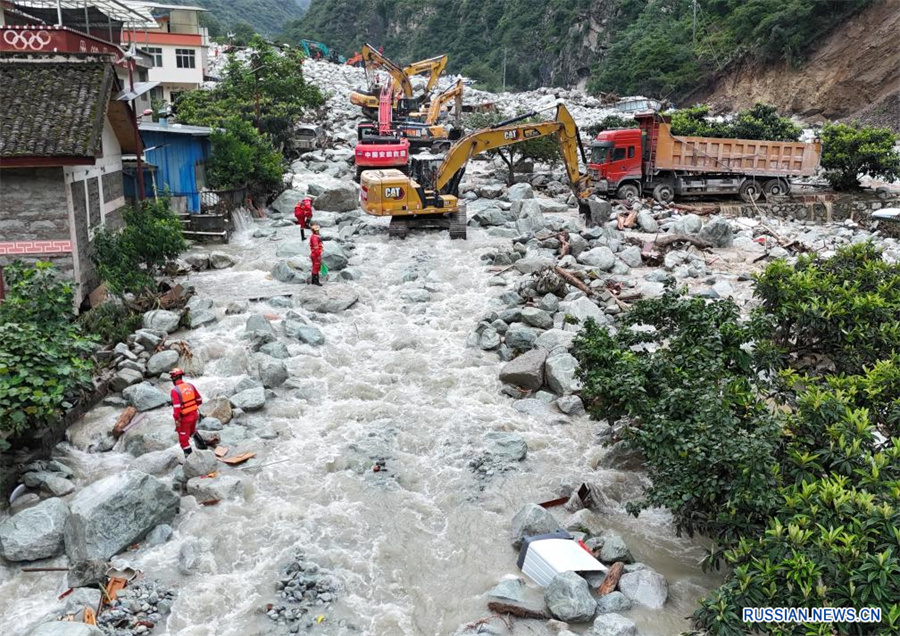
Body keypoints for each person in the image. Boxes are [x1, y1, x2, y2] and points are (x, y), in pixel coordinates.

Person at [170, 368, 206, 455]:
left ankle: (190, 459)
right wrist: (192, 407)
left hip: (185, 418)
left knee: (183, 440)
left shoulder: (174, 391)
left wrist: (177, 420)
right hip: (194, 414)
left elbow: (177, 409)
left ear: (174, 378)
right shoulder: (190, 385)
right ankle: (203, 447)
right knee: (192, 431)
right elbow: (199, 400)